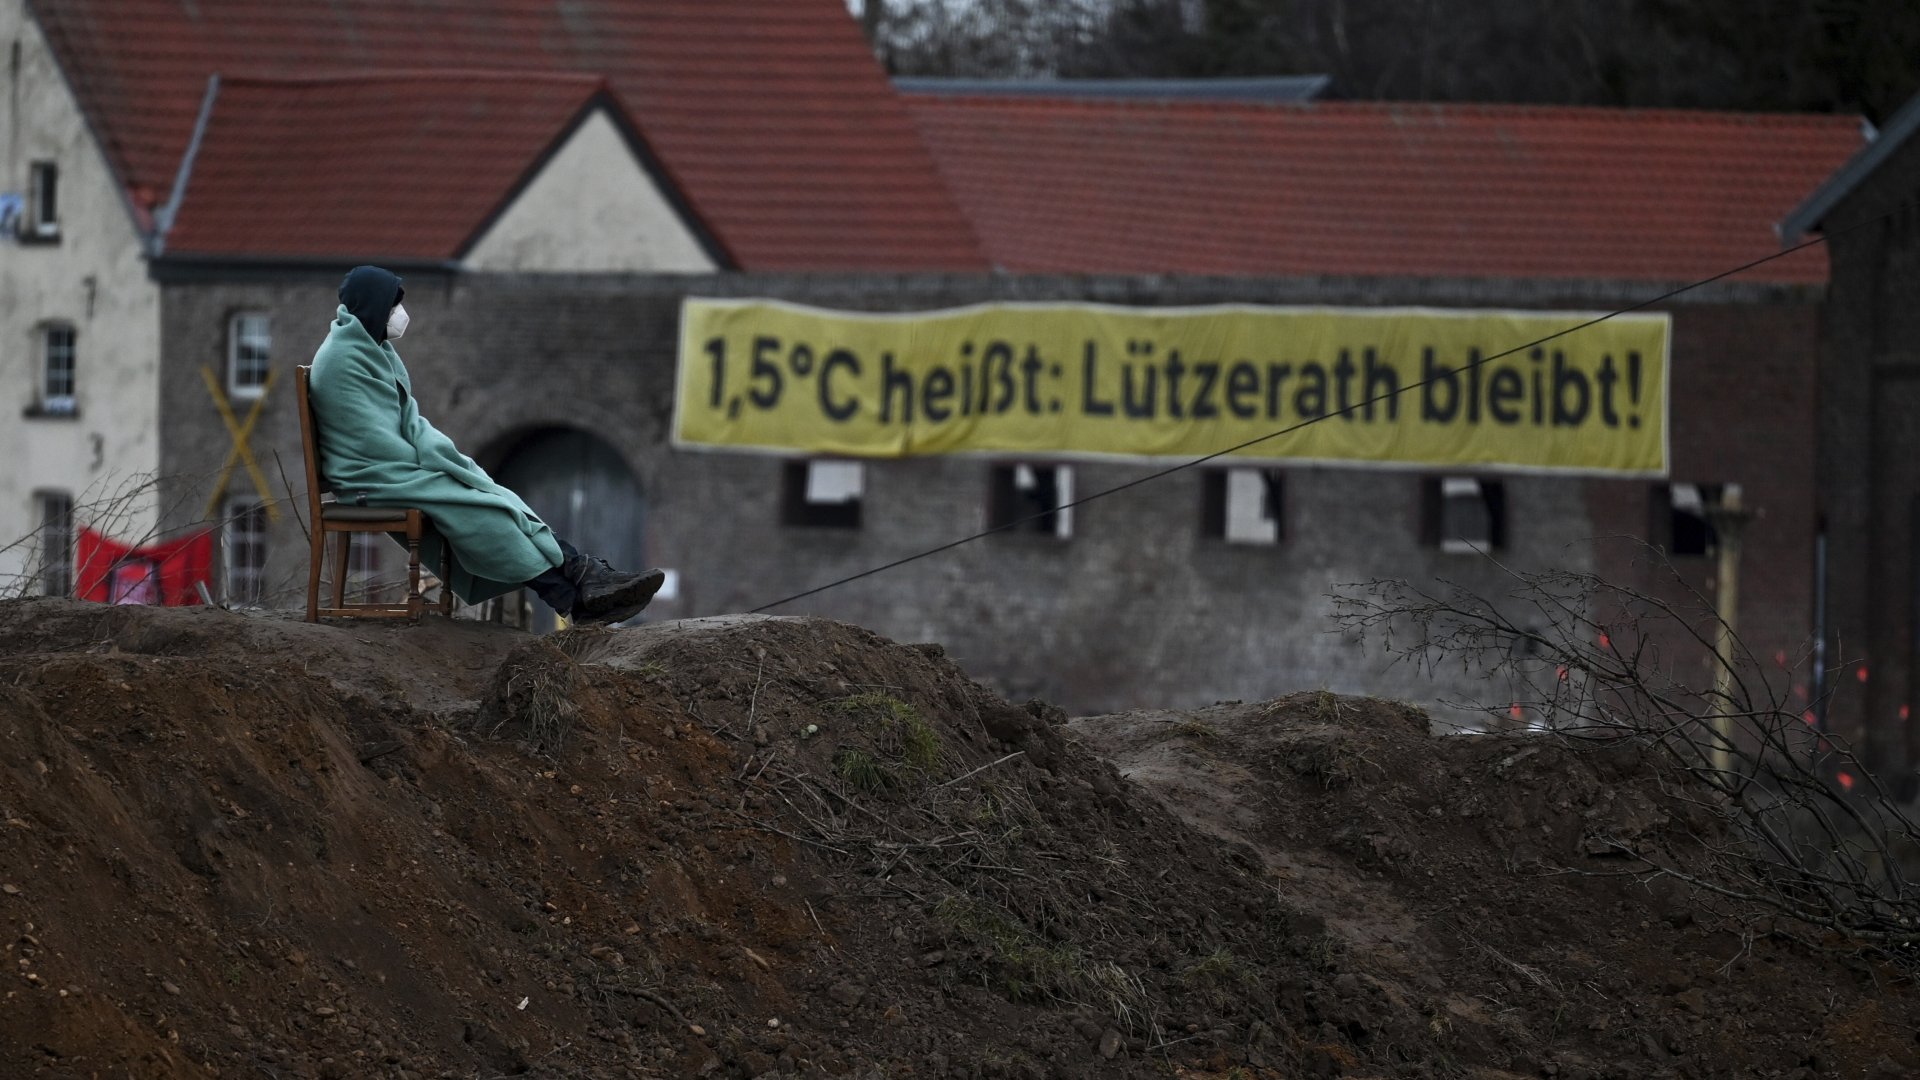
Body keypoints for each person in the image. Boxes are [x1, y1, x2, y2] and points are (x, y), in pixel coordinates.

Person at [308, 265, 664, 625]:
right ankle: (579, 592)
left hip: (391, 469)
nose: (399, 315)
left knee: (497, 495)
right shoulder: (341, 360)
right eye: (391, 306)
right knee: (482, 509)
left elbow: (407, 419)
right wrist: (430, 464)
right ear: (372, 307)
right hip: (370, 479)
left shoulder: (371, 348)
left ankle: (582, 580)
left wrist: (441, 455)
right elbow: (372, 441)